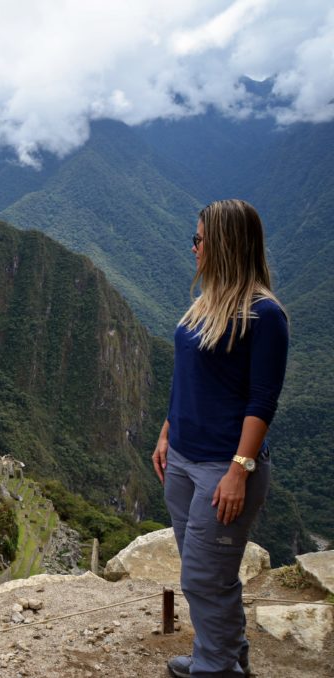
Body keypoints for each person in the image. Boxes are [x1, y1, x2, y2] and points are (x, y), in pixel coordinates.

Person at [152, 199, 288, 678]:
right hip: (184, 458)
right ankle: (227, 654)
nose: (193, 248)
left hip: (222, 468)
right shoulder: (206, 303)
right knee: (207, 575)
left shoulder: (264, 315)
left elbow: (261, 401)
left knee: (204, 577)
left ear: (224, 244)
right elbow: (186, 378)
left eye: (199, 239)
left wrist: (239, 470)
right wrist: (167, 431)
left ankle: (215, 666)